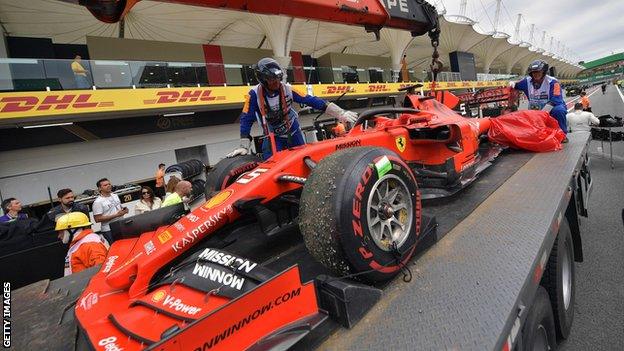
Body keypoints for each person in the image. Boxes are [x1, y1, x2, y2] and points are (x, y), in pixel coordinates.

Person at [226, 58, 358, 160]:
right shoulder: (253, 94)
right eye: (272, 80)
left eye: (278, 78)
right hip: (273, 136)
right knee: (272, 164)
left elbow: (313, 101)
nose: (276, 82)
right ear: (263, 80)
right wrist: (244, 146)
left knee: (303, 159)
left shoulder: (288, 89)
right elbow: (246, 119)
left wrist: (341, 113)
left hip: (293, 132)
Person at [510, 59, 568, 139]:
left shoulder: (554, 82)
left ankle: (562, 135)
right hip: (535, 110)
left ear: (543, 71)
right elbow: (515, 85)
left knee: (559, 110)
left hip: (551, 108)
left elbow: (556, 100)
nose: (536, 74)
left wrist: (542, 114)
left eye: (538, 72)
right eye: (534, 72)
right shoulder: (526, 81)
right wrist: (512, 84)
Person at [55, 212, 108, 276]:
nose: (59, 236)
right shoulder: (82, 242)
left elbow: (102, 273)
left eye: (61, 232)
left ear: (72, 230)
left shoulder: (90, 245)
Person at [92, 178, 127, 244]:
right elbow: (97, 219)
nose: (108, 186)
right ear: (99, 188)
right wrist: (116, 215)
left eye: (109, 184)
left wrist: (124, 210)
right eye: (105, 185)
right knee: (116, 248)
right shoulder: (98, 202)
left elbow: (119, 207)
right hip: (109, 229)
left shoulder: (115, 195)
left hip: (121, 225)